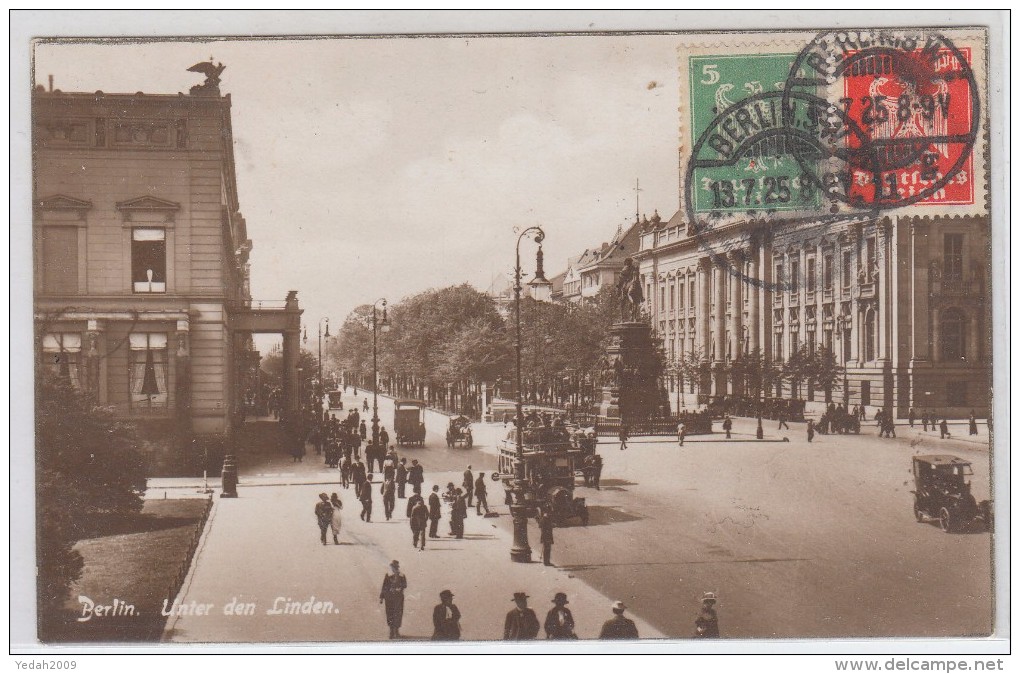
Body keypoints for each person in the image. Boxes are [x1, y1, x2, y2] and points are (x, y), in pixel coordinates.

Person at [379, 560, 407, 639]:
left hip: (398, 597)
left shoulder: (402, 575)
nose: (393, 569)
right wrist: (381, 597)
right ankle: (391, 631)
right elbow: (384, 586)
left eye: (395, 567)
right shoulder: (388, 575)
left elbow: (405, 585)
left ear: (397, 567)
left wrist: (399, 587)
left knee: (398, 614)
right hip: (389, 597)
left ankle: (396, 631)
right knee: (390, 613)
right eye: (392, 567)